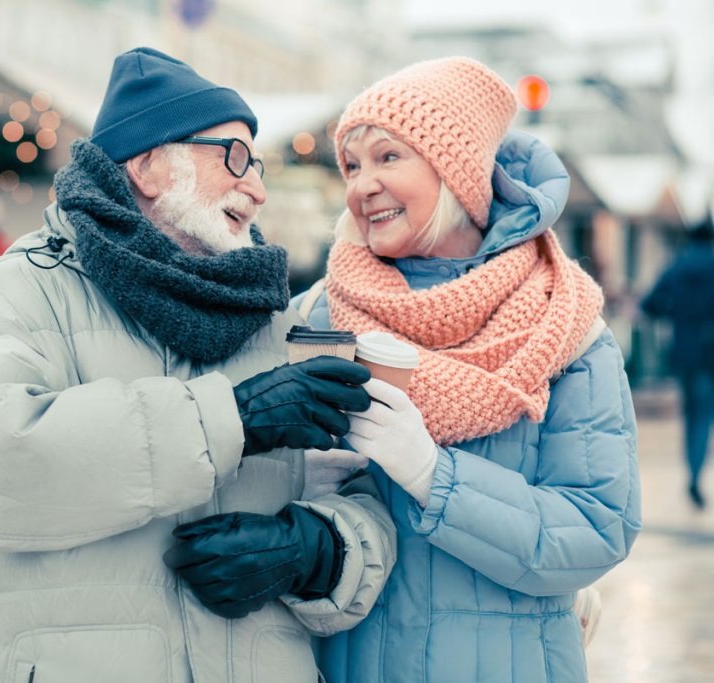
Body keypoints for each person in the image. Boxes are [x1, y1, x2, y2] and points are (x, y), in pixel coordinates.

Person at [0, 47, 396, 683]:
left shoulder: (286, 320)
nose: (256, 189)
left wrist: (314, 551)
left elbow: (363, 490)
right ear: (148, 165)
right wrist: (232, 419)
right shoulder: (7, 296)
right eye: (234, 157)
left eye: (258, 165)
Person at [291, 56, 642, 682]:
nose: (361, 185)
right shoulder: (319, 317)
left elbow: (599, 523)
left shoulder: (565, 329)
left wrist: (433, 474)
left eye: (387, 157)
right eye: (352, 165)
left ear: (456, 171)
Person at [640, 216, 714, 508]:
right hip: (710, 353)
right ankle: (696, 472)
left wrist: (674, 313)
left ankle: (692, 471)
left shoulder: (677, 266)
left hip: (684, 351)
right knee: (704, 415)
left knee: (690, 413)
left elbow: (649, 304)